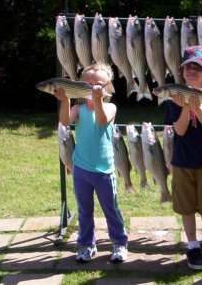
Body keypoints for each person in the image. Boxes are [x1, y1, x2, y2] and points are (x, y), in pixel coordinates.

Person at [54, 62, 128, 263]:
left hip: (104, 170)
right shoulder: (78, 108)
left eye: (99, 84)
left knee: (110, 208)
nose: (94, 88)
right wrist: (65, 101)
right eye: (89, 84)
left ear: (107, 88)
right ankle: (87, 244)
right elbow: (64, 122)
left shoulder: (110, 107)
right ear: (80, 86)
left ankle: (119, 242)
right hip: (81, 168)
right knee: (84, 210)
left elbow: (102, 121)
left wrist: (98, 101)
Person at [163, 45, 202, 270]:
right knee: (186, 205)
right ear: (182, 70)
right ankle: (192, 245)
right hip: (182, 160)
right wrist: (184, 109)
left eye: (198, 67)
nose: (193, 71)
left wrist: (197, 107)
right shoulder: (174, 96)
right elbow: (179, 131)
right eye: (189, 66)